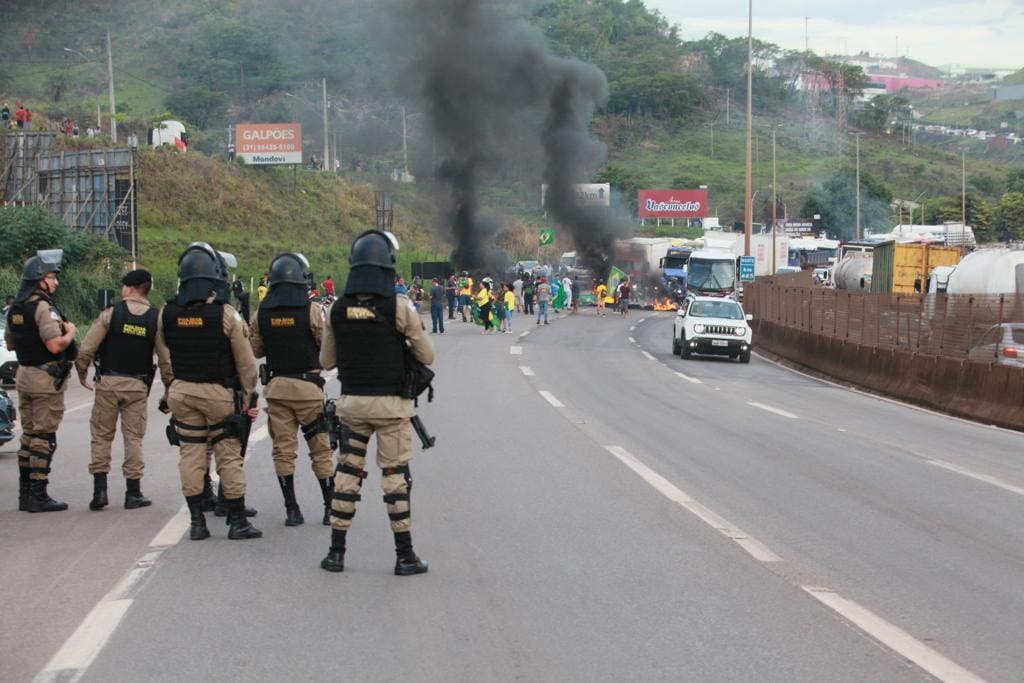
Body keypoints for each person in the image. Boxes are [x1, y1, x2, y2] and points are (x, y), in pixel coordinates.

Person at [320, 229, 434, 575]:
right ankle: (405, 556)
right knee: (395, 478)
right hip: (391, 408)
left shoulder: (337, 309)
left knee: (348, 473)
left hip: (352, 405)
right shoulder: (399, 307)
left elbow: (326, 362)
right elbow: (427, 354)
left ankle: (336, 553)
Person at [155, 242, 262, 541]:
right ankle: (237, 521)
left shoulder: (168, 312)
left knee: (191, 455)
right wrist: (247, 395)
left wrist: (171, 387)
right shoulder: (225, 314)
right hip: (217, 394)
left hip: (182, 392)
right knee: (228, 455)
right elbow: (246, 364)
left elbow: (165, 352)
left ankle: (197, 522)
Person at [250, 252, 334, 527]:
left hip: (277, 389)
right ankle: (329, 506)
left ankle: (292, 509)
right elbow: (324, 345)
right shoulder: (310, 309)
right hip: (308, 389)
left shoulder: (262, 312)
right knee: (320, 450)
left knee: (283, 451)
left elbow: (256, 349)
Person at [75, 269, 170, 511]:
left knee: (101, 436)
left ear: (128, 288)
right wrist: (169, 389)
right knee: (134, 438)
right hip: (137, 386)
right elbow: (165, 359)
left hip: (108, 383)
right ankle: (133, 493)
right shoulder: (155, 318)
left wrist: (81, 372)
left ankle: (100, 492)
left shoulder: (111, 313)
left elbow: (87, 347)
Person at [5, 250, 77, 512]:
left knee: (29, 435)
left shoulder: (15, 307)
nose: (55, 282)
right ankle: (38, 494)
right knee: (44, 437)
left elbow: (11, 343)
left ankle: (25, 495)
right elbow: (55, 344)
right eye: (51, 277)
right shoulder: (42, 307)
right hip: (45, 378)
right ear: (39, 279)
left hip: (24, 374)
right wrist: (70, 333)